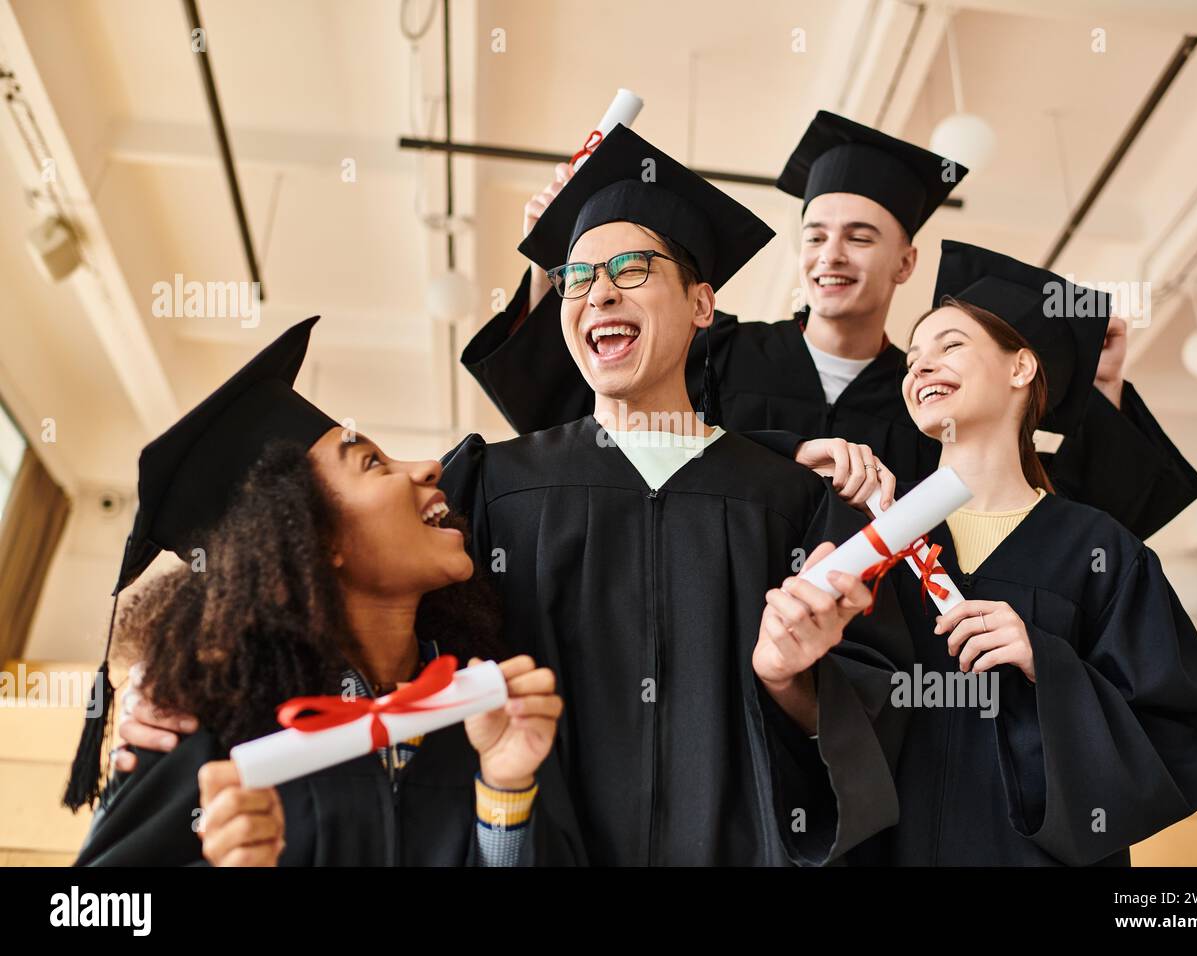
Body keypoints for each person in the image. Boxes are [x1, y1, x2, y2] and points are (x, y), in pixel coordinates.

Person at [120, 124, 910, 866]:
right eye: (576, 278)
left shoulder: (792, 500)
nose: (598, 294)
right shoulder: (490, 483)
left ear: (703, 305)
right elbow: (350, 612)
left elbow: (877, 719)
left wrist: (792, 680)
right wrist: (170, 683)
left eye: (631, 270)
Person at [461, 111, 1197, 539]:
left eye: (860, 236)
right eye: (815, 234)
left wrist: (1100, 388)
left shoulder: (936, 396)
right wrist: (555, 263)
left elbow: (1054, 519)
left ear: (906, 264)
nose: (831, 255)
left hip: (879, 660)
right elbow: (569, 418)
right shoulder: (719, 351)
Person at [67, 319, 581, 866]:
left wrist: (505, 792)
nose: (431, 467)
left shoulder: (477, 705)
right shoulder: (199, 728)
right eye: (373, 463)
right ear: (312, 538)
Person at [859, 240, 1197, 865]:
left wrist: (1047, 663)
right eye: (912, 358)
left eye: (949, 345)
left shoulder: (1100, 549)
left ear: (1020, 368)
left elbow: (1178, 729)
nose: (920, 367)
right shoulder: (883, 537)